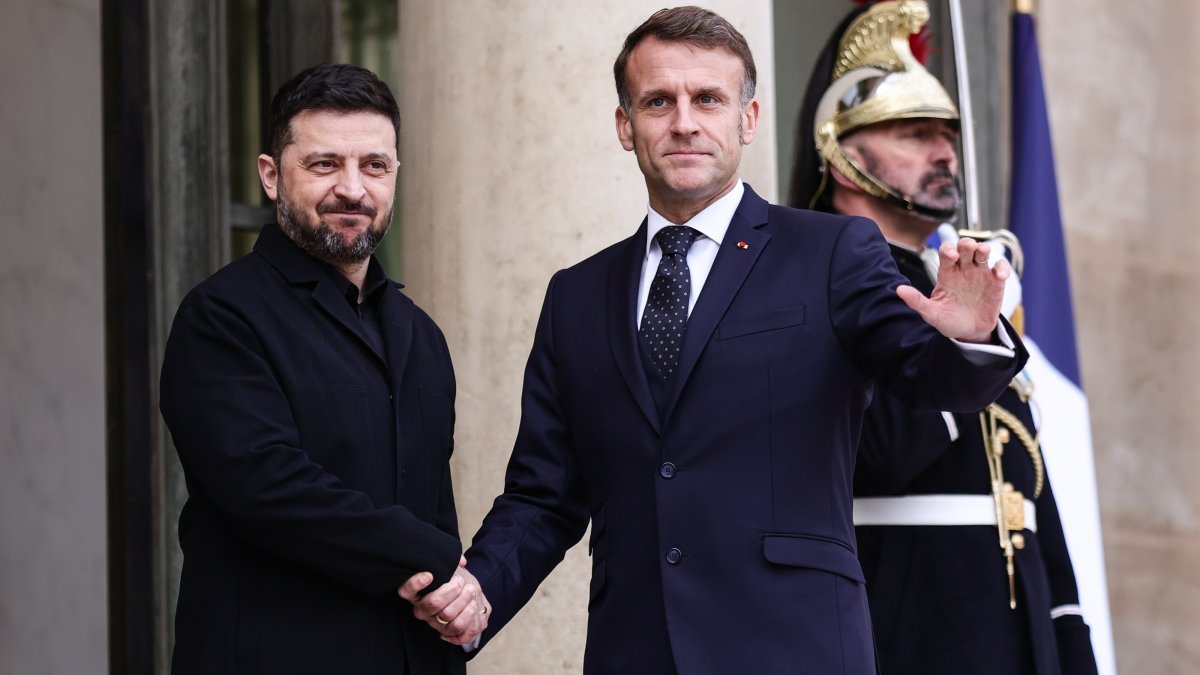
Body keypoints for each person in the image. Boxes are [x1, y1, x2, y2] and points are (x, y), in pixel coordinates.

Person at [405, 6, 1024, 674]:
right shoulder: (576, 297)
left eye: (708, 98)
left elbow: (925, 373)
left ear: (747, 119)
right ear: (625, 126)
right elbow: (542, 495)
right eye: (657, 101)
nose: (684, 121)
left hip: (797, 649)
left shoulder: (832, 251)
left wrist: (969, 337)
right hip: (634, 651)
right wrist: (480, 589)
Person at [789, 1, 1099, 673]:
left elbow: (1029, 495)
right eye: (913, 133)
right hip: (907, 629)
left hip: (1016, 638)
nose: (945, 152)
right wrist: (963, 346)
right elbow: (886, 451)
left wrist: (1072, 646)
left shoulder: (968, 287)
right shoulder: (816, 287)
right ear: (844, 160)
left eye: (949, 135)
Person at [159, 63, 488, 675]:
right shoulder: (222, 317)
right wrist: (434, 558)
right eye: (324, 164)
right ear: (270, 176)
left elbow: (433, 503)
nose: (353, 189)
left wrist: (458, 596)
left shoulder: (421, 335)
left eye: (374, 166)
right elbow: (267, 489)